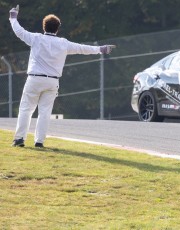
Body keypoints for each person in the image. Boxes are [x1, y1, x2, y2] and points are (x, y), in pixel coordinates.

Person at [9, 5, 115, 148]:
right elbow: (82, 48)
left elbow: (19, 31)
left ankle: (19, 139)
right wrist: (100, 49)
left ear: (44, 26)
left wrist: (13, 17)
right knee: (45, 112)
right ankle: (39, 141)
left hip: (34, 79)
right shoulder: (63, 43)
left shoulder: (36, 39)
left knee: (26, 109)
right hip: (52, 81)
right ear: (57, 29)